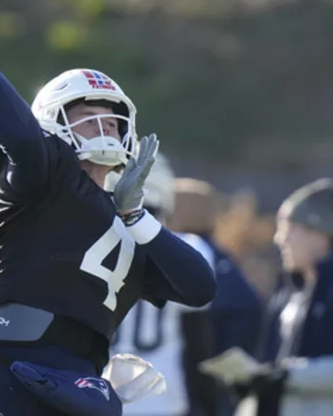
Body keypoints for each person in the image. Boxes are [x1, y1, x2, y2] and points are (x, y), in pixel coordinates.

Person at [0, 0, 217, 416]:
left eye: (111, 121)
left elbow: (200, 287)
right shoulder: (46, 176)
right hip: (4, 371)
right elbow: (20, 134)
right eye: (85, 117)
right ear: (52, 125)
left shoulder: (130, 221)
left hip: (76, 390)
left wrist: (135, 216)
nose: (103, 129)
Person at [110, 160, 261, 416]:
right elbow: (198, 341)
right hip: (162, 398)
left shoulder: (93, 244)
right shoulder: (191, 247)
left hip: (102, 396)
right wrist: (210, 404)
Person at [233, 178, 333, 416]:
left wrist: (286, 375)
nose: (279, 239)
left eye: (288, 229)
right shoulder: (287, 293)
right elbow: (275, 369)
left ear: (319, 234)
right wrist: (255, 381)